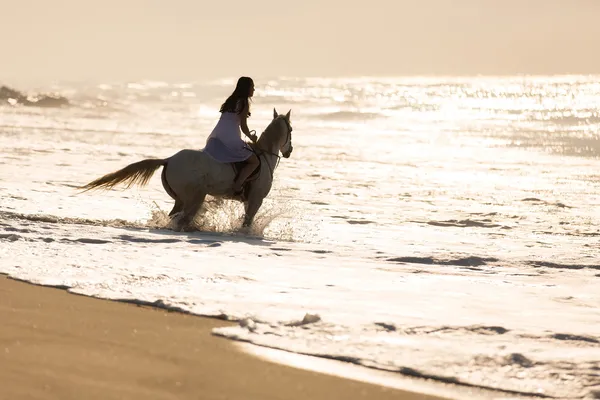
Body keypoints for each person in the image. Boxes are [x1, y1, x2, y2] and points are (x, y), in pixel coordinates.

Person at [204, 76, 259, 194]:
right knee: (255, 161)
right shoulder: (244, 102)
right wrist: (251, 137)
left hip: (216, 135)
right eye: (252, 87)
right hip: (230, 138)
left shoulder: (230, 100)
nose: (254, 89)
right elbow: (244, 126)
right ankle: (238, 185)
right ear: (247, 88)